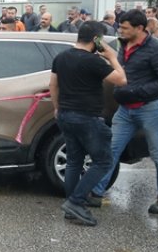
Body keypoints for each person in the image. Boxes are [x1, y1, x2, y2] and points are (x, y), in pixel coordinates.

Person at [88, 9, 158, 214]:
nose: (120, 30)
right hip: (125, 110)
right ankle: (96, 193)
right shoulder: (123, 45)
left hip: (150, 109)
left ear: (140, 28)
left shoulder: (157, 49)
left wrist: (137, 92)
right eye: (119, 26)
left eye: (125, 28)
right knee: (110, 150)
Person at [51, 22, 127, 226]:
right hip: (87, 118)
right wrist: (112, 57)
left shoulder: (61, 57)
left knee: (74, 161)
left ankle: (71, 206)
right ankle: (75, 202)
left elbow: (53, 84)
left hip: (65, 115)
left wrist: (57, 108)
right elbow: (121, 80)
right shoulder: (94, 62)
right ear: (96, 40)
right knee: (103, 161)